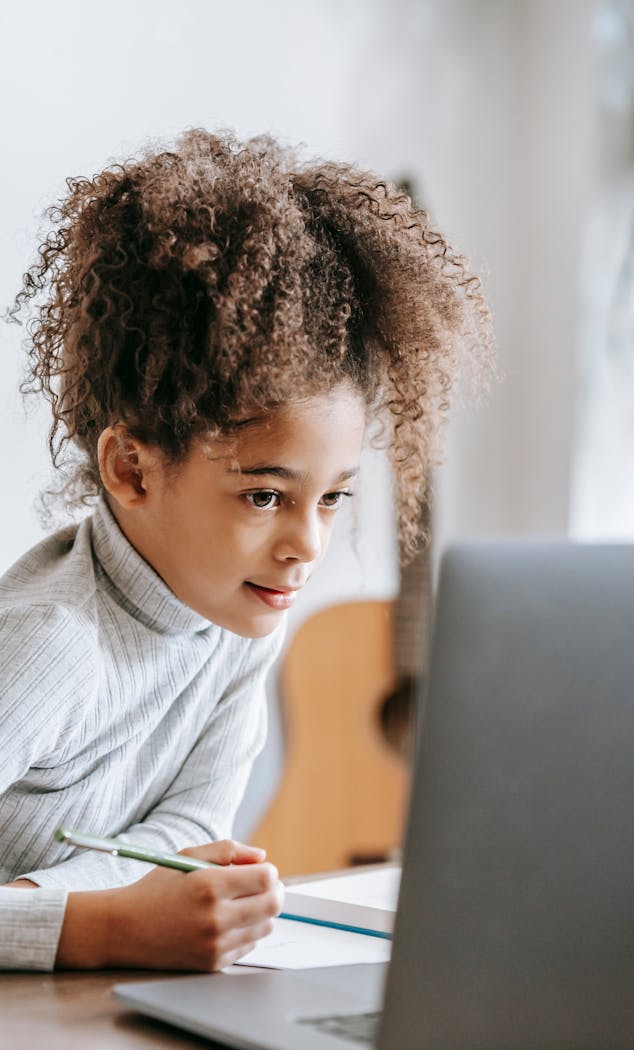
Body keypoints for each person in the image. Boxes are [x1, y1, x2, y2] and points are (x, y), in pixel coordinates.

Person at [0, 128, 492, 971]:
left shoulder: (233, 618)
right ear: (132, 468)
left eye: (331, 497)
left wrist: (87, 894)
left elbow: (192, 830)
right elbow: (138, 886)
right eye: (265, 496)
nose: (307, 544)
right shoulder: (50, 645)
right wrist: (101, 924)